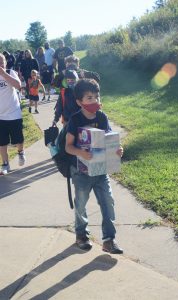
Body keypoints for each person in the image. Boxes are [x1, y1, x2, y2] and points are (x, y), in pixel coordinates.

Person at [65, 78, 124, 254]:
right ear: (79, 101)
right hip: (81, 172)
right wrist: (81, 153)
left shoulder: (102, 116)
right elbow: (68, 147)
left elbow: (109, 138)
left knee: (108, 202)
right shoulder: (75, 120)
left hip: (101, 170)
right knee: (81, 204)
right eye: (89, 98)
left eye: (96, 97)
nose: (94, 101)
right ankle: (81, 235)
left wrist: (117, 149)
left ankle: (109, 240)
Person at [0, 53, 26, 175]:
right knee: (2, 142)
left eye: (2, 62)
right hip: (1, 116)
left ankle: (20, 152)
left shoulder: (10, 72)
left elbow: (18, 85)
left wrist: (3, 74)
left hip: (14, 113)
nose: (0, 65)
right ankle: (5, 164)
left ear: (5, 63)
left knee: (18, 139)